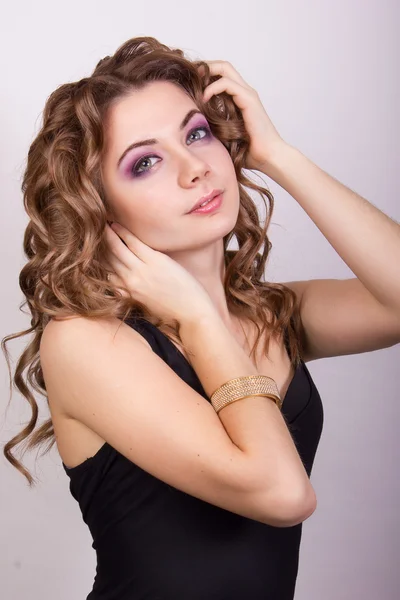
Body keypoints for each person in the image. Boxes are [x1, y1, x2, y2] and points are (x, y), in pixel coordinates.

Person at [2, 36, 399, 600]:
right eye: (145, 162)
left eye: (196, 133)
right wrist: (197, 315)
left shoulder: (269, 315)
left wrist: (278, 155)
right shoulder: (86, 341)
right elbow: (285, 496)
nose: (194, 168)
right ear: (100, 206)